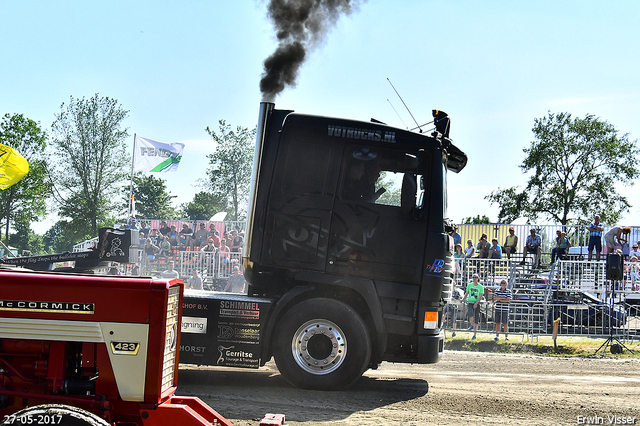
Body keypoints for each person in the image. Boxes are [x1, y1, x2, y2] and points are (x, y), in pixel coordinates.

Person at [463, 273, 484, 340]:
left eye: (475, 277)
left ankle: (475, 334)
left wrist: (476, 303)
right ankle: (471, 325)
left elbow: (481, 297)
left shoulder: (480, 287)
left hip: (477, 303)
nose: (474, 278)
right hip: (470, 302)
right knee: (470, 313)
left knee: (476, 319)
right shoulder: (469, 285)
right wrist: (463, 299)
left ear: (478, 278)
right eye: (473, 277)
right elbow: (466, 293)